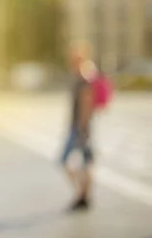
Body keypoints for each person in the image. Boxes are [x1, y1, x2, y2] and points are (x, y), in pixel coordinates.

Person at [60, 40, 96, 211]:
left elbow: (85, 107)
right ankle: (84, 195)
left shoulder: (83, 80)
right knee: (86, 162)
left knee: (66, 160)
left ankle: (82, 194)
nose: (71, 61)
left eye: (74, 58)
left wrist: (81, 129)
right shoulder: (79, 77)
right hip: (80, 128)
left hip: (80, 129)